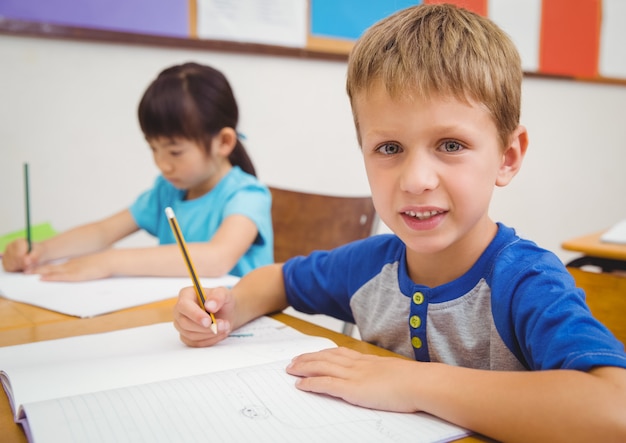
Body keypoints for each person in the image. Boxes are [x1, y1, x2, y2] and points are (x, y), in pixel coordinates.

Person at [172, 5, 626, 442]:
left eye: (450, 144)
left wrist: (415, 383)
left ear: (507, 157)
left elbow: (614, 410)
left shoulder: (525, 280)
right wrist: (227, 308)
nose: (416, 180)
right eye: (389, 148)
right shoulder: (370, 266)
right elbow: (279, 281)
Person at [2, 62, 273, 281]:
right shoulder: (168, 191)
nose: (162, 164)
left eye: (174, 151)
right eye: (153, 149)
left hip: (238, 331)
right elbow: (103, 232)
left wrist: (110, 261)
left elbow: (216, 259)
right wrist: (41, 251)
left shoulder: (247, 195)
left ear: (224, 142)